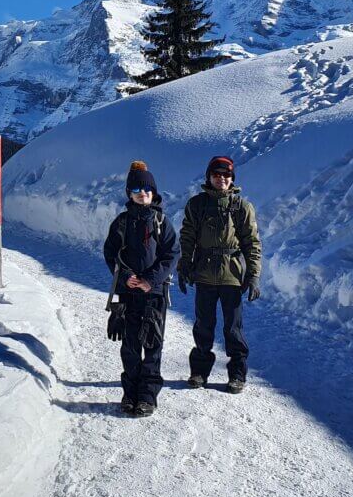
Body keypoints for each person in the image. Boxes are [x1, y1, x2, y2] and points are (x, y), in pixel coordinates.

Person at [176, 155, 262, 394]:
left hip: (232, 276)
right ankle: (199, 371)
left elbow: (252, 244)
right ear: (209, 177)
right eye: (216, 175)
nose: (221, 179)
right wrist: (184, 266)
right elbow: (188, 238)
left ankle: (237, 374)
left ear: (232, 179)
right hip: (204, 273)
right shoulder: (197, 204)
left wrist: (253, 275)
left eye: (226, 175)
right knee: (204, 325)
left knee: (233, 328)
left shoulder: (241, 206)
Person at [103, 161, 179, 417]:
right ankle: (130, 393)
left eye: (146, 189)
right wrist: (125, 276)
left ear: (153, 192)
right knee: (130, 345)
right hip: (128, 294)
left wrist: (151, 280)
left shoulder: (161, 221)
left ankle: (147, 396)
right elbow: (111, 253)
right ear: (129, 192)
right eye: (136, 188)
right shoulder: (122, 222)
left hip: (154, 294)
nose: (142, 193)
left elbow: (171, 255)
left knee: (153, 343)